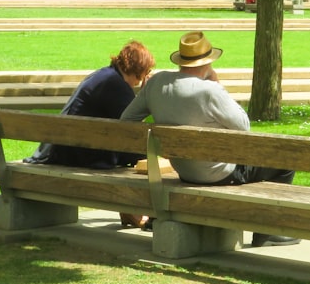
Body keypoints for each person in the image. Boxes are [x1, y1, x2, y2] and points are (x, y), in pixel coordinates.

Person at [120, 31, 300, 248]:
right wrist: (218, 85)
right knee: (286, 160)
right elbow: (244, 126)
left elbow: (127, 120)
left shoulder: (157, 83)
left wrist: (160, 145)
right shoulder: (209, 90)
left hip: (185, 170)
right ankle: (267, 230)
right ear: (208, 62)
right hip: (219, 173)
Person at [22, 41, 156, 227]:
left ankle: (130, 209)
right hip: (75, 154)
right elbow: (135, 134)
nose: (143, 79)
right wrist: (145, 96)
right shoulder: (115, 85)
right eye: (145, 73)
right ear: (139, 70)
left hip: (64, 148)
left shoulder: (105, 76)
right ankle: (135, 210)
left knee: (137, 154)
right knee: (148, 154)